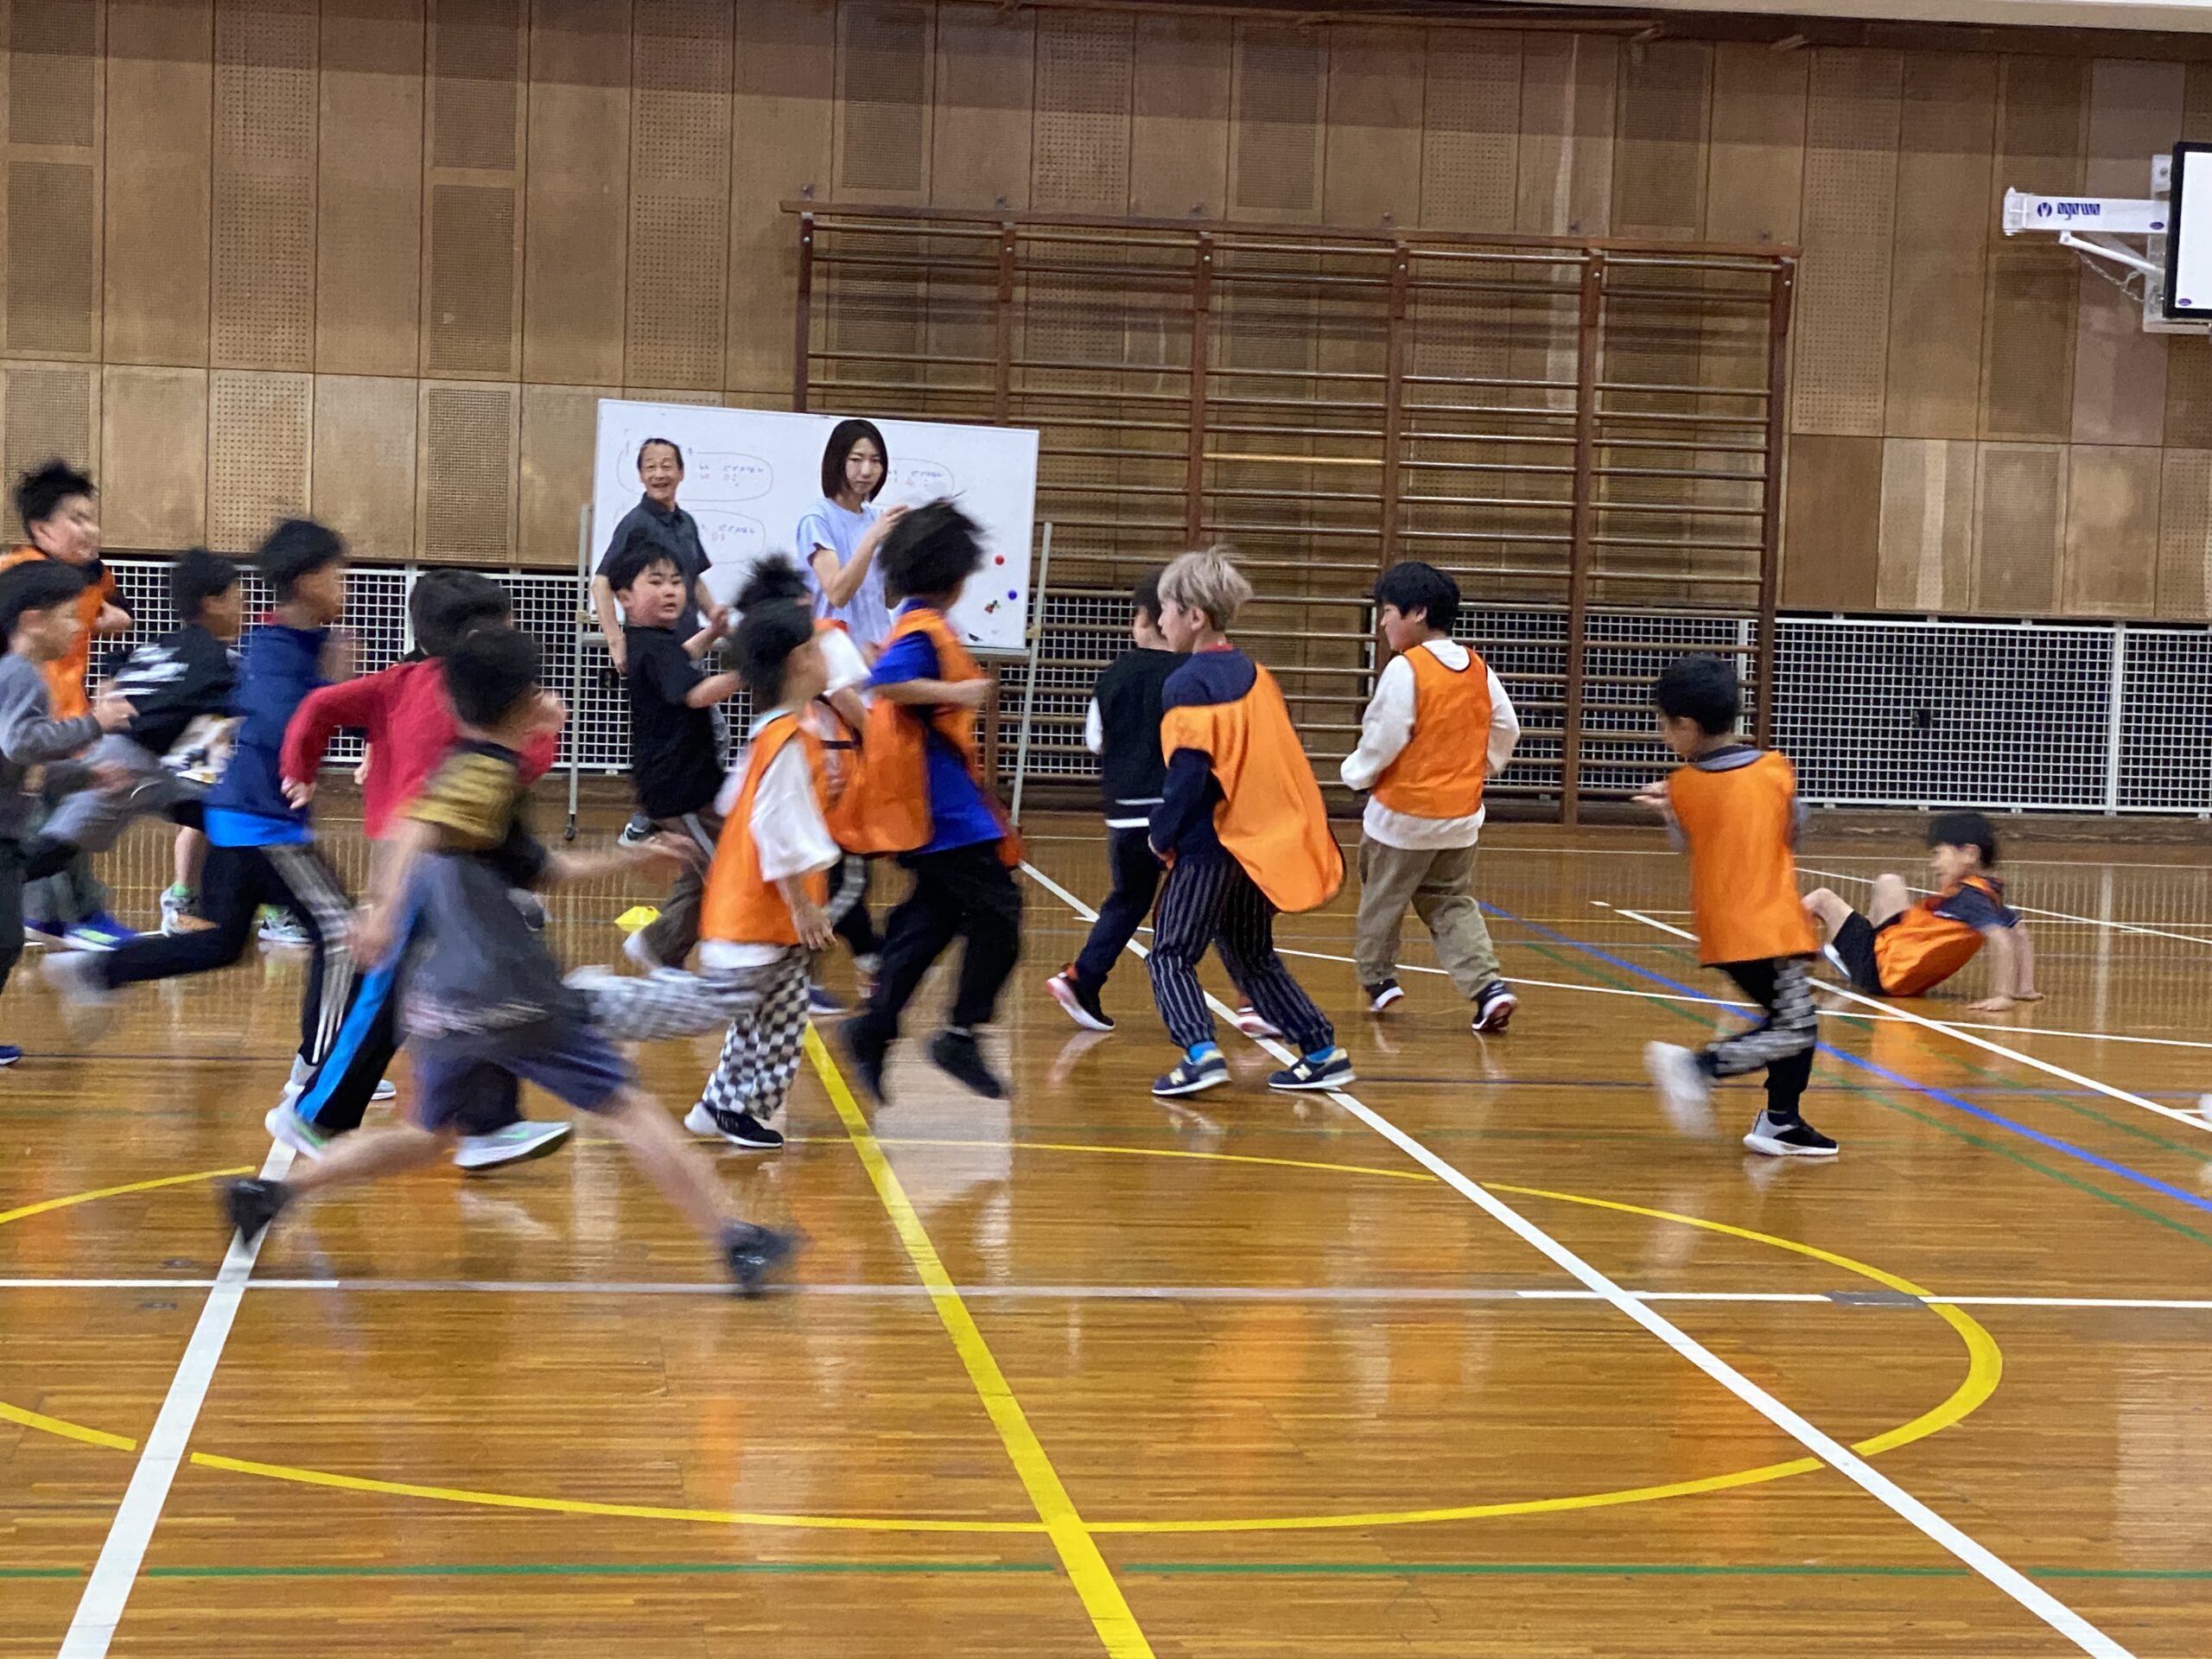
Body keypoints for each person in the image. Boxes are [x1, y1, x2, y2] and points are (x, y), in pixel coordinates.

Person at [219, 628, 800, 1298]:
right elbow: (417, 826)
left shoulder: (476, 774)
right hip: (511, 994)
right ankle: (737, 1241)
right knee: (628, 1106)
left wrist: (630, 858)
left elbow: (541, 867)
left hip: (443, 1001)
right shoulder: (485, 775)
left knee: (425, 1136)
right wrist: (381, 910)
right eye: (541, 690)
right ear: (525, 701)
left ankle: (272, 1195)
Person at [266, 569, 570, 1171]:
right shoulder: (461, 698)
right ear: (474, 636)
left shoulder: (399, 683)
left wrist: (299, 766)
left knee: (480, 989)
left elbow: (319, 706)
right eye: (503, 624)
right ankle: (314, 1114)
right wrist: (544, 732)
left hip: (453, 866)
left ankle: (488, 1122)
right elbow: (516, 768)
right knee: (385, 1001)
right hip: (424, 867)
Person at [46, 522, 362, 1092]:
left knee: (222, 944)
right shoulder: (275, 651)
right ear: (308, 582)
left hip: (232, 818)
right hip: (261, 822)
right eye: (337, 573)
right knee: (343, 934)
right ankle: (319, 1072)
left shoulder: (294, 644)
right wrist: (333, 695)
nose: (346, 585)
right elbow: (280, 724)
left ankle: (99, 968)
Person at [1143, 548, 1351, 1098]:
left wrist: (1161, 833)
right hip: (1258, 845)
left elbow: (1190, 774)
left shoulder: (1187, 684)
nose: (1160, 621)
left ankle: (1200, 1053)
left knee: (1170, 954)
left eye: (1166, 609)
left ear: (1195, 616)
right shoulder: (1258, 676)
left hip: (1211, 842)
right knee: (1249, 953)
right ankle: (1321, 1051)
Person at [836, 500, 1020, 1104]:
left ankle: (874, 1027)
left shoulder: (919, 623)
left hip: (930, 805)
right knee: (1000, 913)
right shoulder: (922, 629)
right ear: (957, 577)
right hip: (940, 810)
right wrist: (959, 692)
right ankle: (960, 1034)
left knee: (932, 918)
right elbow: (887, 681)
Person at [1636, 652, 1836, 1158]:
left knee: (1792, 1017)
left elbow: (1687, 843)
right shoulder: (1775, 769)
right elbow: (1794, 829)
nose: (1664, 734)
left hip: (1726, 930)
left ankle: (1782, 1121)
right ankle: (1701, 1068)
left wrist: (1673, 809)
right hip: (1768, 925)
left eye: (1664, 724)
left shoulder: (1682, 787)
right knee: (1796, 1027)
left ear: (1686, 726)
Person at [685, 598, 842, 1151]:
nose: (827, 657)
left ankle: (717, 1106)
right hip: (763, 914)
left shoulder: (773, 731)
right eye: (818, 648)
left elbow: (734, 801)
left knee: (760, 1019)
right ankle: (739, 1108)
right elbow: (772, 824)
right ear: (800, 660)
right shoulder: (788, 740)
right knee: (780, 1025)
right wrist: (803, 905)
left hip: (747, 909)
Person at [1340, 561, 1522, 1033]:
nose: (1383, 622)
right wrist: (1480, 768)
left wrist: (1356, 774)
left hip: (1403, 817)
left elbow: (1384, 736)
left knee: (1383, 899)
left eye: (1388, 611)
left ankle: (1379, 979)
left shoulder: (1407, 669)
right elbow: (1507, 728)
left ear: (1417, 612)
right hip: (1460, 819)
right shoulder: (1478, 669)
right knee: (1451, 901)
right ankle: (1488, 988)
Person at [27, 549, 238, 931]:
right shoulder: (212, 660)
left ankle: (200, 910)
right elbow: (197, 699)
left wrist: (110, 690)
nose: (243, 608)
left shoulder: (169, 642)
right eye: (238, 598)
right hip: (125, 761)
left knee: (220, 817)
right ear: (213, 603)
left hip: (151, 766)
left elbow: (116, 661)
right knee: (51, 851)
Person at [0, 561, 136, 1060]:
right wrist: (95, 723)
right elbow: (20, 744)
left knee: (6, 939)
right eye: (70, 616)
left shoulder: (16, 672)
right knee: (3, 940)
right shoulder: (21, 674)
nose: (80, 627)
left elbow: (21, 766)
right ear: (33, 621)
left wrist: (83, 775)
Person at [728, 553, 874, 1014]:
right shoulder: (786, 736)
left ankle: (849, 963)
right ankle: (842, 964)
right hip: (830, 785)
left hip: (827, 784)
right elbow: (847, 698)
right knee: (841, 881)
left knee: (836, 878)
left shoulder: (776, 725)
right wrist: (881, 745)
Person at [3, 460, 134, 948]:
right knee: (34, 827)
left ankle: (82, 913)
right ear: (41, 529)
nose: (91, 530)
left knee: (70, 820)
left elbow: (123, 617)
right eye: (76, 519)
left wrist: (108, 669)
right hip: (25, 731)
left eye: (91, 518)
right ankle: (48, 918)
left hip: (71, 722)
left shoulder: (92, 578)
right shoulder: (15, 576)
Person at [606, 541, 737, 974]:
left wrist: (712, 633)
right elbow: (696, 694)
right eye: (656, 582)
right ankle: (737, 963)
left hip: (687, 783)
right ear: (624, 597)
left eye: (677, 582)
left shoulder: (652, 642)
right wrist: (753, 671)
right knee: (726, 871)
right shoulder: (652, 647)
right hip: (680, 789)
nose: (670, 591)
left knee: (703, 870)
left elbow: (683, 659)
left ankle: (659, 947)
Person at [591, 437, 716, 846]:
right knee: (679, 735)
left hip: (685, 644)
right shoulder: (635, 523)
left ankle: (662, 818)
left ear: (681, 472)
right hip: (654, 650)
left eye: (667, 466)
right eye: (650, 467)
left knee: (694, 736)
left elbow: (695, 579)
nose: (659, 474)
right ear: (641, 475)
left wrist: (718, 620)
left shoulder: (686, 522)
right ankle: (654, 817)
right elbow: (602, 581)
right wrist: (615, 640)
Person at [1802, 811, 2039, 1012]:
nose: (1934, 864)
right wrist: (2024, 988)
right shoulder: (1986, 893)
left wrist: (2002, 995)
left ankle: (1786, 951)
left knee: (1822, 898)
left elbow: (2001, 940)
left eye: (1939, 854)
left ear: (1969, 854)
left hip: (1878, 972)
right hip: (1889, 956)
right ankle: (1845, 950)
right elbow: (2019, 932)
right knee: (1889, 882)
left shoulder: (1968, 900)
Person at [799, 417, 906, 657]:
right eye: (856, 460)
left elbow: (890, 599)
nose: (866, 471)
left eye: (875, 461)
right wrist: (873, 538)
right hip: (835, 655)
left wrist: (907, 552)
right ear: (838, 461)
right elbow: (837, 594)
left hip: (877, 649)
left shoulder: (876, 518)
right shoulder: (818, 519)